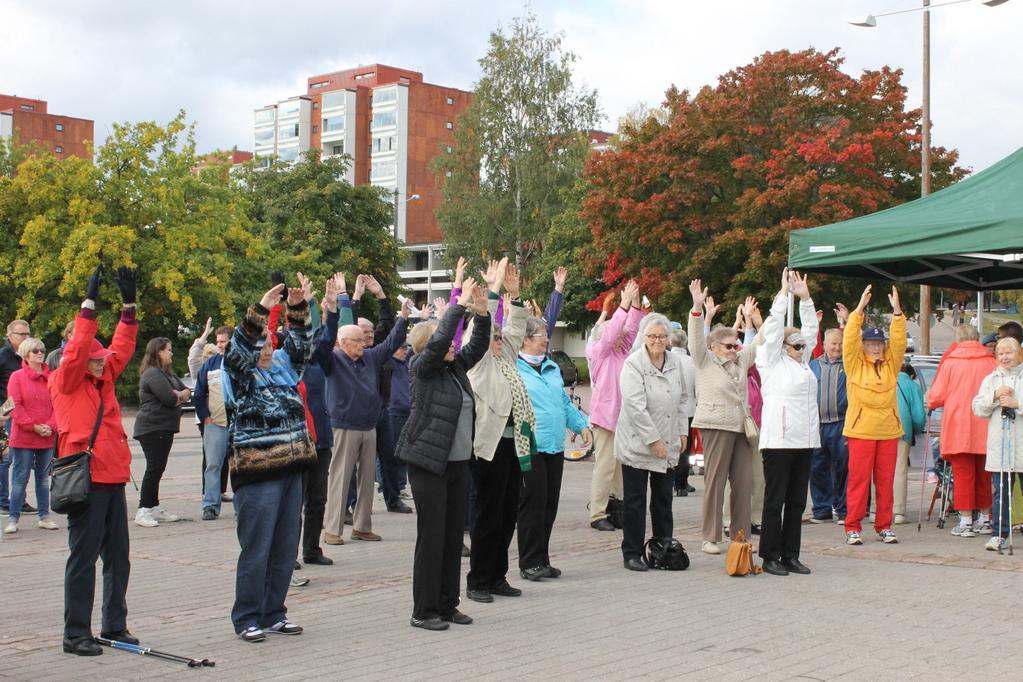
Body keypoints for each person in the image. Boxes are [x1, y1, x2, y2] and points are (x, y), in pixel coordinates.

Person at [51, 264, 139, 656]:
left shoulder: (103, 375)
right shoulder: (66, 379)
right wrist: (88, 306)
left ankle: (114, 625)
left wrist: (129, 307)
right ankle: (75, 634)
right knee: (83, 559)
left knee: (118, 557)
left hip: (112, 475)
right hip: (85, 477)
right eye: (96, 357)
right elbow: (77, 350)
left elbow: (123, 346)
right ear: (81, 357)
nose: (105, 362)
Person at [224, 277, 317, 642]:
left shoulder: (283, 368)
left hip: (291, 471)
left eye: (269, 343)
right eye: (259, 343)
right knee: (257, 548)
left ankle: (274, 612)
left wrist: (297, 309)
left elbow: (301, 347)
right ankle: (246, 616)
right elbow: (239, 350)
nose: (265, 349)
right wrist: (260, 311)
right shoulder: (240, 375)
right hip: (257, 474)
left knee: (283, 547)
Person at [395, 278, 490, 630]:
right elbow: (436, 345)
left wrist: (481, 315)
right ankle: (424, 610)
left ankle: (449, 605)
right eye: (446, 342)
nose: (453, 346)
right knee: (432, 537)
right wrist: (457, 307)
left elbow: (477, 347)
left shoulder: (454, 369)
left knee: (452, 538)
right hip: (428, 464)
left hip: (457, 464)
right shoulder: (422, 368)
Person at [317, 276, 409, 545]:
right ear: (343, 342)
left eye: (362, 340)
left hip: (368, 426)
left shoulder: (370, 357)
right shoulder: (332, 360)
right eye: (356, 340)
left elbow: (391, 343)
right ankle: (333, 529)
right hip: (344, 427)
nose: (362, 344)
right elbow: (322, 344)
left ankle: (362, 526)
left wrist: (402, 318)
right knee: (340, 479)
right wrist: (332, 312)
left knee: (368, 480)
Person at [465, 260, 532, 603]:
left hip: (513, 448)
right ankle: (478, 580)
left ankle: (498, 576)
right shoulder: (477, 358)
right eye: (491, 334)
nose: (496, 338)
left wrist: (515, 295)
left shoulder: (506, 356)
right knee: (487, 515)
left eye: (497, 334)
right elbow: (481, 326)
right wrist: (491, 293)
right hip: (487, 449)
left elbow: (517, 331)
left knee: (507, 514)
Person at [516, 315, 591, 580]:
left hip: (554, 446)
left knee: (549, 504)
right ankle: (528, 562)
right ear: (525, 339)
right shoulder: (515, 368)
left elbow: (564, 402)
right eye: (541, 335)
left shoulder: (550, 367)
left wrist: (581, 426)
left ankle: (542, 558)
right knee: (531, 505)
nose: (547, 339)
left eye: (546, 334)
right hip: (529, 446)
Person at [754, 270, 819, 576]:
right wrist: (783, 296)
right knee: (774, 501)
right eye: (795, 346)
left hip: (805, 441)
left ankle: (791, 554)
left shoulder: (804, 365)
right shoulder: (770, 361)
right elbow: (770, 331)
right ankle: (769, 555)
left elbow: (812, 329)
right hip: (779, 442)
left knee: (796, 503)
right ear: (783, 346)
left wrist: (805, 299)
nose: (801, 349)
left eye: (803, 346)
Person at [687, 280, 757, 555]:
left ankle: (740, 535)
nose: (733, 349)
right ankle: (710, 536)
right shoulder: (704, 361)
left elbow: (761, 341)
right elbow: (695, 339)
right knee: (715, 481)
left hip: (741, 427)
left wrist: (759, 317)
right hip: (715, 425)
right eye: (727, 345)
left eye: (735, 345)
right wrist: (696, 308)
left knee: (743, 482)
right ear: (714, 346)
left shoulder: (740, 361)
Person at [616, 313, 689, 572]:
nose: (658, 340)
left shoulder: (675, 363)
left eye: (662, 336)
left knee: (663, 500)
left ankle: (662, 548)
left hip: (668, 441)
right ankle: (632, 553)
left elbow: (682, 399)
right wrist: (653, 440)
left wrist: (683, 432)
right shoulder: (633, 364)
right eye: (653, 336)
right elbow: (635, 407)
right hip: (638, 443)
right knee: (635, 501)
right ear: (644, 337)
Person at [842, 284, 906, 546]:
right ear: (864, 345)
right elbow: (849, 340)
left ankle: (884, 526)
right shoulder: (855, 365)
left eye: (880, 343)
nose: (877, 348)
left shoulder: (892, 365)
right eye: (871, 343)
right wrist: (859, 309)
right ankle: (852, 527)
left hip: (889, 431)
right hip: (861, 432)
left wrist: (897, 312)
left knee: (885, 482)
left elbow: (899, 341)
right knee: (858, 482)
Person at [926, 325, 996, 537]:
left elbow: (935, 397)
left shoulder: (951, 363)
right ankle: (985, 518)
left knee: (963, 474)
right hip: (986, 425)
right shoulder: (991, 362)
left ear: (958, 340)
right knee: (985, 474)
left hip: (958, 427)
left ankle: (966, 521)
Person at [586, 281, 643, 530]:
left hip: (621, 418)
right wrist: (623, 305)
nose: (622, 340)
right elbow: (613, 334)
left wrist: (636, 305)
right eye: (616, 336)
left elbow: (630, 331)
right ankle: (597, 513)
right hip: (604, 417)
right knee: (605, 466)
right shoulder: (599, 350)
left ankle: (617, 508)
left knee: (620, 466)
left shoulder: (622, 353)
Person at [132, 338, 190, 528]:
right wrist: (177, 395)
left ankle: (153, 506)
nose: (171, 353)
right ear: (159, 352)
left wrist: (179, 394)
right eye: (169, 350)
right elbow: (168, 398)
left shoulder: (168, 374)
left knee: (158, 468)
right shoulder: (152, 374)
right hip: (152, 427)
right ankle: (144, 509)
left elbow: (186, 391)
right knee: (154, 468)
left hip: (164, 427)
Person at [3, 337, 59, 533]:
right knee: (20, 477)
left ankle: (44, 516)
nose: (40, 353)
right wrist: (33, 427)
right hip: (24, 436)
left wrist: (50, 426)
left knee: (44, 478)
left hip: (46, 435)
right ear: (26, 354)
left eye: (42, 349)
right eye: (35, 350)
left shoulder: (52, 376)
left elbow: (58, 404)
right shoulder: (16, 377)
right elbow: (14, 406)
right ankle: (13, 518)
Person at [972, 337, 1023, 552]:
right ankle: (998, 534)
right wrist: (994, 396)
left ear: (1019, 354)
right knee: (1000, 492)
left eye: (1009, 352)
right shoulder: (991, 379)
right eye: (1000, 353)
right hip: (999, 445)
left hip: (1021, 443)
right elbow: (977, 408)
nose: (1004, 356)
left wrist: (1017, 404)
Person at [809, 322, 849, 525]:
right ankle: (821, 509)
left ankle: (843, 509)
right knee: (817, 468)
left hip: (841, 423)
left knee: (843, 468)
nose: (837, 348)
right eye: (833, 344)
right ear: (824, 344)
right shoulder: (813, 366)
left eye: (840, 344)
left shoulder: (849, 365)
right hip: (818, 425)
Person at [194, 325, 236, 519]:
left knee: (241, 466)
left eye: (223, 341)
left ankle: (241, 505)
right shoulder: (210, 364)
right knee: (213, 465)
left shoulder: (241, 363)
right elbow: (200, 392)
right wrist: (205, 417)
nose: (219, 345)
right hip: (215, 424)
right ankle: (210, 505)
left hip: (239, 424)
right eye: (218, 341)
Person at [2, 318, 34, 515]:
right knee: (5, 459)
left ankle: (19, 499)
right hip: (5, 414)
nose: (25, 337)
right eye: (21, 334)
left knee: (24, 460)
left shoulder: (28, 357)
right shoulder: (3, 356)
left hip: (25, 414)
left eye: (27, 334)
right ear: (9, 336)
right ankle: (3, 500)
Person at [893, 363, 926, 524]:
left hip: (879, 427)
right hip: (902, 428)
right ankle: (899, 512)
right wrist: (917, 430)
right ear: (912, 375)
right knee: (900, 470)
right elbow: (919, 416)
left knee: (878, 471)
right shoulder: (912, 385)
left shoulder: (885, 378)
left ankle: (875, 510)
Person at [669, 326, 697, 496]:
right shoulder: (691, 361)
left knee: (671, 444)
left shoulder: (667, 359)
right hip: (688, 410)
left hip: (670, 409)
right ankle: (681, 483)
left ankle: (670, 479)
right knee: (685, 448)